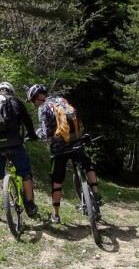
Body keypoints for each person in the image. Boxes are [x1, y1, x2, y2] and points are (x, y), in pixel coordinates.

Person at [26, 83, 102, 225]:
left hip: (60, 147)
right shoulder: (61, 100)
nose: (33, 104)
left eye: (32, 101)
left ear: (37, 97)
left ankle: (56, 215)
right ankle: (96, 193)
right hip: (76, 140)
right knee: (87, 164)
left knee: (56, 180)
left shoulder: (43, 108)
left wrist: (34, 135)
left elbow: (45, 133)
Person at [0, 81, 39, 221]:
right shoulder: (15, 101)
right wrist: (32, 135)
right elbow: (27, 120)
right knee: (25, 174)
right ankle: (30, 205)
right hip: (14, 144)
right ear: (11, 92)